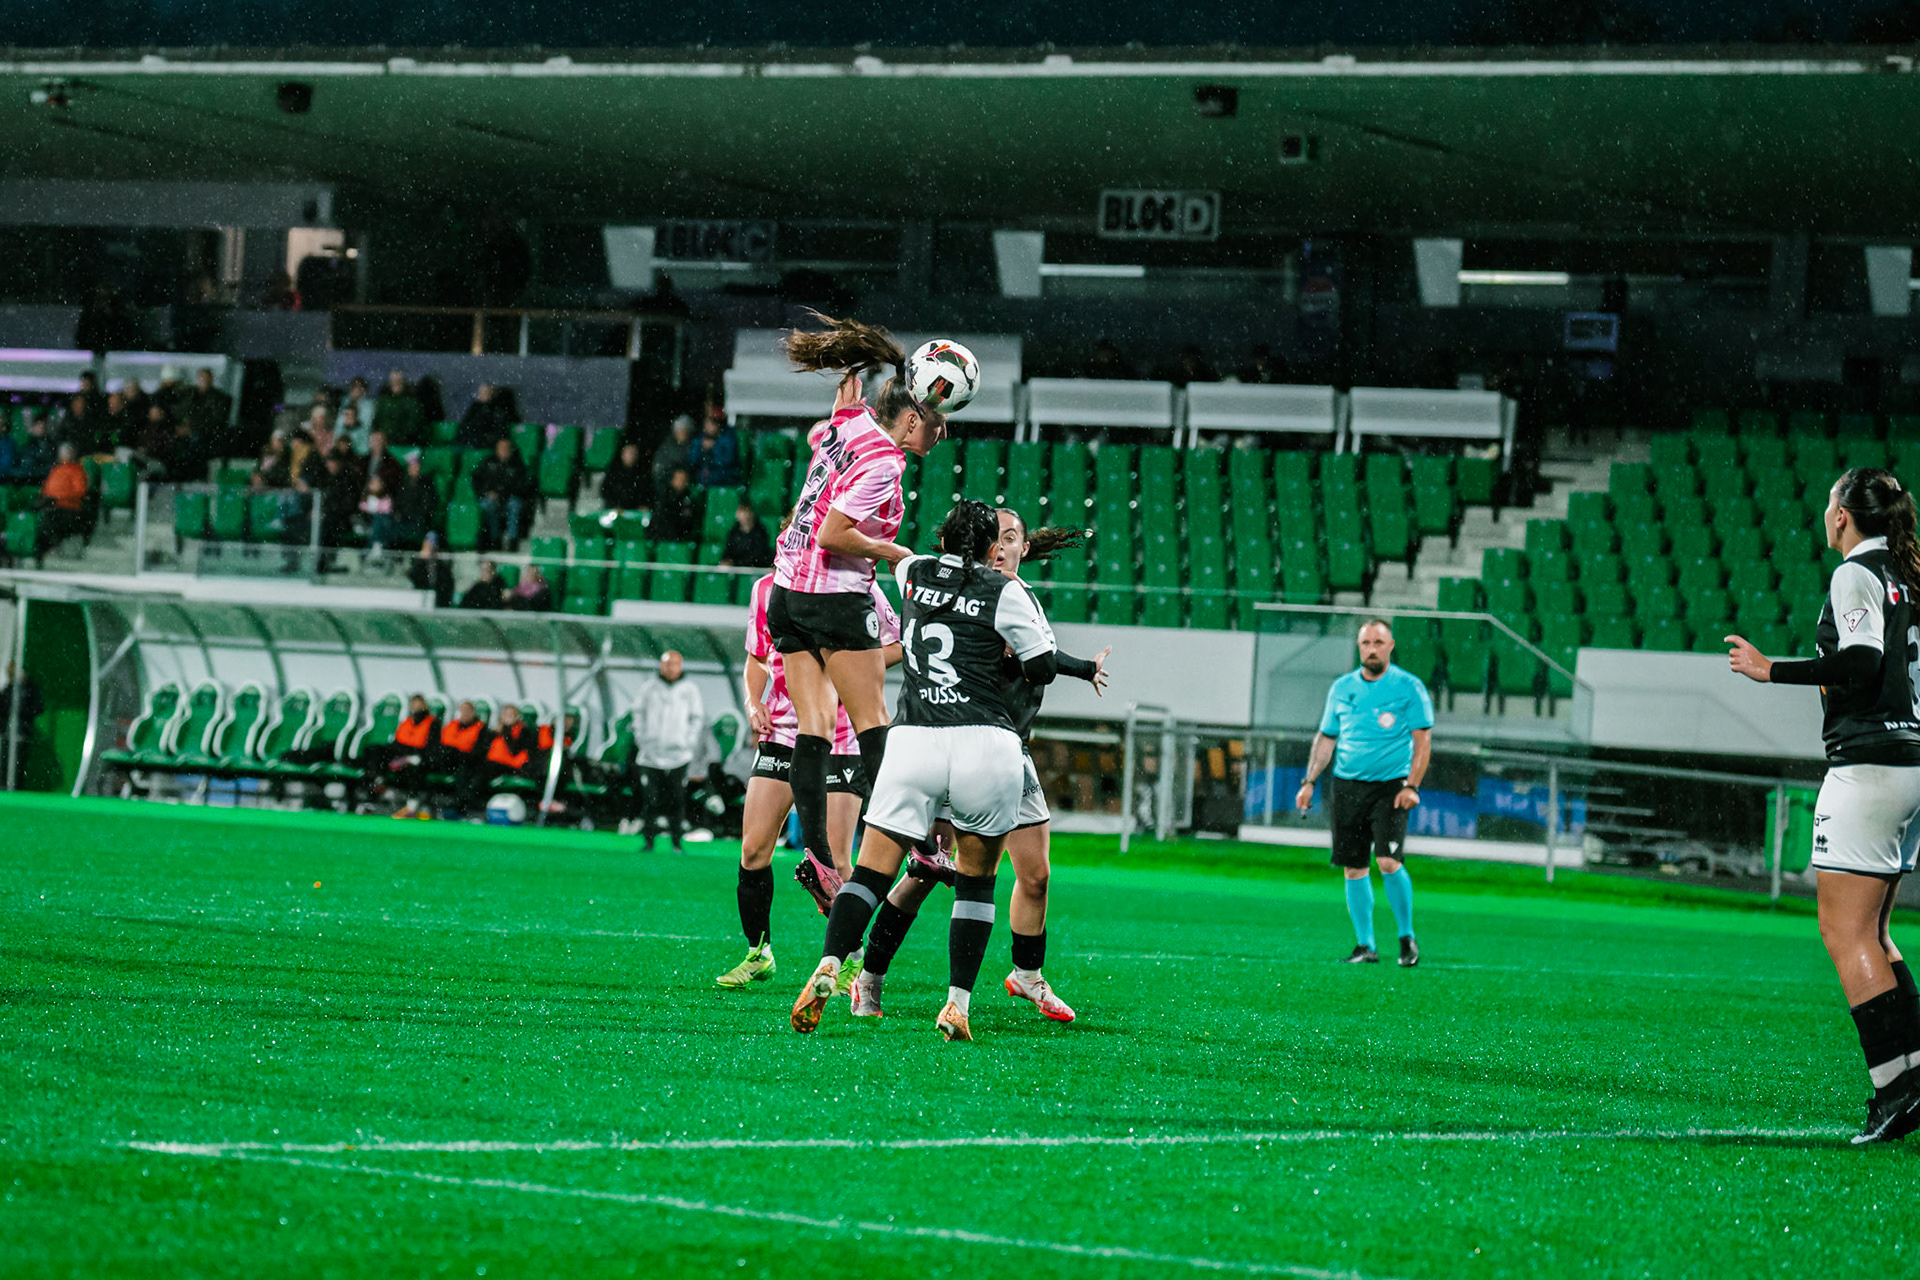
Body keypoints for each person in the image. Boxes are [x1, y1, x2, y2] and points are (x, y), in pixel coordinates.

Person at [789, 500, 1057, 1042]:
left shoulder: (911, 571)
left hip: (913, 742)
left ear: (942, 537)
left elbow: (891, 557)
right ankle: (956, 1004)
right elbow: (1043, 667)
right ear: (989, 548)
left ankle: (831, 964)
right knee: (976, 883)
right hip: (985, 742)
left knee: (869, 874)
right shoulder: (1006, 591)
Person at [848, 508, 1110, 1022]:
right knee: (927, 872)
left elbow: (1043, 660)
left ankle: (1027, 977)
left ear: (1023, 548)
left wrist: (1082, 669)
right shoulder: (973, 596)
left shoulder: (1017, 599)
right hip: (953, 745)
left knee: (1035, 875)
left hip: (1008, 751)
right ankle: (869, 977)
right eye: (997, 538)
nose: (1002, 546)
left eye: (1012, 537)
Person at [1727, 468, 1920, 1143]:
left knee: (1845, 936)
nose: (1825, 509)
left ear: (1842, 516)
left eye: (1829, 498)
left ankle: (1895, 1090)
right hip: (1906, 762)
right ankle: (1912, 1078)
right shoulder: (1908, 576)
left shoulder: (1855, 573)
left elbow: (1863, 663)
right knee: (1878, 933)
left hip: (1867, 767)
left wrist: (1769, 669)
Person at [769, 313, 965, 898]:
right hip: (832, 597)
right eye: (937, 423)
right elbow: (834, 534)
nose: (942, 434)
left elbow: (820, 437)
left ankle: (822, 860)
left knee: (814, 729)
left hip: (787, 592)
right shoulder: (885, 460)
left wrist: (837, 415)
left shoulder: (850, 423)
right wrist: (892, 549)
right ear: (910, 418)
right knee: (877, 726)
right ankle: (924, 849)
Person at [715, 566, 904, 989]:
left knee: (836, 860)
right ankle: (758, 952)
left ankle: (850, 957)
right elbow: (757, 656)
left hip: (841, 737)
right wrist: (752, 701)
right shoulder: (767, 588)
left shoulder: (860, 586)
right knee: (753, 850)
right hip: (783, 731)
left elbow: (897, 645)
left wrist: (844, 664)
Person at [1295, 618, 1434, 968]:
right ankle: (1365, 945)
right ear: (1359, 647)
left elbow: (1422, 742)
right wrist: (1309, 781)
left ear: (1390, 646)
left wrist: (1412, 786)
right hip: (1346, 787)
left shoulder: (1409, 687)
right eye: (1365, 643)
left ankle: (1406, 938)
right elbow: (1327, 737)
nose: (1371, 649)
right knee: (1353, 868)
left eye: (1378, 642)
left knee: (1388, 861)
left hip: (1392, 787)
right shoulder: (1341, 688)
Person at [629, 650, 706, 853]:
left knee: (677, 800)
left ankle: (676, 843)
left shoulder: (690, 689)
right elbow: (638, 714)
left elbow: (697, 718)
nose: (669, 668)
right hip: (650, 755)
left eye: (674, 664)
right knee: (650, 800)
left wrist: (687, 742)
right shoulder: (649, 688)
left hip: (679, 756)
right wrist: (643, 740)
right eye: (666, 664)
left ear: (680, 666)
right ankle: (648, 841)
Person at [471, 436, 533, 551]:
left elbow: (523, 486)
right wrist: (486, 492)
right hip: (491, 499)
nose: (505, 451)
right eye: (502, 448)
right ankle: (495, 539)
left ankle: (512, 541)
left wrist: (503, 494)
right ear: (497, 449)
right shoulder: (488, 462)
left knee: (514, 505)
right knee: (489, 505)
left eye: (507, 448)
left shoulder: (518, 465)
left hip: (510, 499)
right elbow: (476, 480)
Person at [37, 443, 91, 556]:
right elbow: (46, 489)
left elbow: (80, 491)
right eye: (64, 453)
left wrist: (59, 498)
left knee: (48, 520)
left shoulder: (77, 471)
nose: (66, 455)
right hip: (51, 505)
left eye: (68, 452)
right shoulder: (56, 470)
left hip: (68, 508)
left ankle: (49, 547)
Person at [391, 456, 436, 550]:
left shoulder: (426, 485)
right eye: (412, 467)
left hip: (417, 519)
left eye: (416, 467)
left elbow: (426, 506)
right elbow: (397, 503)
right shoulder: (404, 484)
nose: (414, 469)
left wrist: (412, 515)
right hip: (404, 518)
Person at [689, 410, 742, 487]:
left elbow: (728, 460)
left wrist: (714, 447)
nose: (707, 427)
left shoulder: (728, 438)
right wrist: (701, 449)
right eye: (706, 423)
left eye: (711, 424)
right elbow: (692, 460)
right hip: (706, 474)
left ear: (718, 425)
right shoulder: (700, 438)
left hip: (725, 475)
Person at [648, 467, 699, 543]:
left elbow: (689, 522)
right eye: (678, 479)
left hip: (681, 537)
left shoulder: (689, 499)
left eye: (683, 479)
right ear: (672, 480)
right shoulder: (664, 497)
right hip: (663, 535)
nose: (680, 482)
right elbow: (659, 519)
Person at [651, 415, 695, 502]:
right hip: (667, 488)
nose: (682, 433)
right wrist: (672, 479)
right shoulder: (666, 448)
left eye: (685, 431)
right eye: (680, 430)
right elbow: (658, 471)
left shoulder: (693, 447)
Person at [457, 382, 513, 449]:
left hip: (484, 440)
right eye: (482, 392)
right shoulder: (475, 407)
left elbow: (498, 430)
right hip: (472, 438)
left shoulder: (497, 409)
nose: (483, 394)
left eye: (486, 392)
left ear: (492, 394)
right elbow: (465, 423)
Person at [721, 501, 773, 569]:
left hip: (756, 568)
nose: (744, 515)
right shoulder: (733, 533)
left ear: (752, 513)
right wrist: (728, 561)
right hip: (737, 569)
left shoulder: (761, 532)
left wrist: (739, 562)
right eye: (741, 512)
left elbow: (759, 554)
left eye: (746, 512)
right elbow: (728, 552)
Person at [599, 441, 649, 511]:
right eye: (629, 453)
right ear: (622, 454)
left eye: (634, 453)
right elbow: (606, 491)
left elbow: (645, 493)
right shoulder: (614, 472)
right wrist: (614, 505)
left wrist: (643, 505)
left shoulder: (641, 473)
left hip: (635, 510)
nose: (632, 456)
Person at [408, 534, 455, 607]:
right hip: (419, 604)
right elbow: (414, 585)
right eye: (427, 547)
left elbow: (447, 591)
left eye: (433, 548)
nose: (430, 551)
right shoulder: (417, 567)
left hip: (439, 606)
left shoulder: (444, 571)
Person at [15, 415, 55, 485]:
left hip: (42, 479)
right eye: (38, 426)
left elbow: (49, 464)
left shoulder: (50, 445)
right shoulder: (26, 443)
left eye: (43, 427)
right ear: (33, 427)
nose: (41, 429)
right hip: (26, 478)